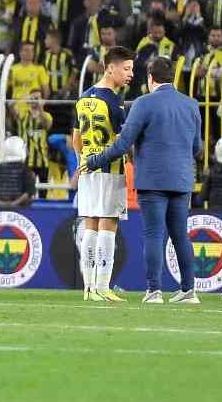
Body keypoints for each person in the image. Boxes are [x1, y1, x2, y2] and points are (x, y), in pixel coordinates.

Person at [76, 56, 201, 305]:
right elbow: (197, 147)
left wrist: (93, 161)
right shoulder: (191, 104)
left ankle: (154, 291)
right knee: (180, 236)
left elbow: (123, 143)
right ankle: (189, 291)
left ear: (150, 78)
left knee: (154, 234)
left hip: (152, 180)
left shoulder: (143, 103)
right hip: (182, 179)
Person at [70, 45, 134, 302]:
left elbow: (76, 139)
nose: (130, 74)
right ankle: (103, 287)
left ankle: (89, 288)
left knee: (91, 225)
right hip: (110, 170)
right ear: (110, 67)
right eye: (126, 69)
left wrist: (83, 162)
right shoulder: (114, 103)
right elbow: (121, 143)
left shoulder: (84, 97)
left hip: (87, 169)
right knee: (108, 225)